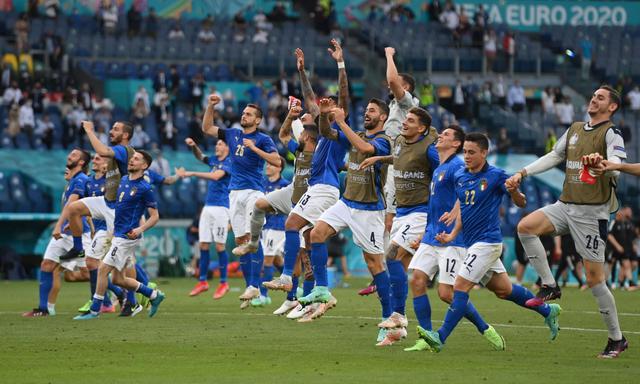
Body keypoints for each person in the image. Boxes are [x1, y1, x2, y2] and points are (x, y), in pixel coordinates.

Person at [511, 85, 628, 358]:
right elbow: (555, 155)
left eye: (601, 97)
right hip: (565, 205)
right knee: (525, 227)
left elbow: (618, 166)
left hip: (591, 214)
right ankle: (550, 286)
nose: (593, 98)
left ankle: (617, 339)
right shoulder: (575, 128)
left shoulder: (611, 133)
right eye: (593, 95)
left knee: (595, 281)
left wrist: (603, 164)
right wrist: (523, 172)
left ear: (612, 107)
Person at [418, 132, 561, 353]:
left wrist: (514, 192)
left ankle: (440, 337)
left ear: (484, 153)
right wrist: (452, 235)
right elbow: (464, 211)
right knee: (504, 290)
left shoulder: (495, 176)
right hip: (470, 243)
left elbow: (521, 202)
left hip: (488, 243)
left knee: (459, 287)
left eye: (472, 152)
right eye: (465, 151)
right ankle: (548, 311)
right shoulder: (461, 176)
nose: (466, 156)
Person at [255, 41, 349, 320]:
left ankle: (289, 280)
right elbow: (309, 100)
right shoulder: (314, 139)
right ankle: (317, 291)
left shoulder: (335, 134)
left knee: (292, 226)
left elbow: (343, 97)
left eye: (327, 109)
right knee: (309, 239)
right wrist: (302, 71)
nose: (319, 110)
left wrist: (341, 65)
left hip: (324, 190)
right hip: (319, 190)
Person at [400, 126, 504, 352]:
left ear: (457, 144)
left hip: (452, 240)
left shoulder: (458, 165)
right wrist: (425, 231)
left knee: (446, 293)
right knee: (417, 280)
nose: (441, 136)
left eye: (446, 134)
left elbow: (468, 198)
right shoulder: (439, 168)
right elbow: (435, 205)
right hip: (432, 235)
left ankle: (484, 328)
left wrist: (456, 221)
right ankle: (426, 336)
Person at [301, 97, 392, 337]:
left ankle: (389, 319)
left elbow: (363, 149)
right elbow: (327, 134)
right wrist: (323, 115)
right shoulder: (357, 134)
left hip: (369, 210)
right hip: (346, 202)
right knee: (316, 233)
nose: (367, 113)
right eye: (366, 110)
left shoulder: (384, 141)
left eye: (372, 111)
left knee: (375, 265)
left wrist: (341, 121)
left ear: (383, 117)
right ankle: (322, 288)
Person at [360, 107, 439, 345]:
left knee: (392, 255)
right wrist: (379, 158)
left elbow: (442, 176)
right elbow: (400, 159)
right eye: (406, 119)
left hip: (420, 212)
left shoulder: (430, 149)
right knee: (400, 268)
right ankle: (400, 326)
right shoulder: (400, 142)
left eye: (411, 120)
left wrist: (435, 217)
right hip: (403, 212)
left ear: (422, 128)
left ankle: (397, 315)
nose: (404, 123)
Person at [234, 102, 318, 317]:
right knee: (259, 204)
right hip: (294, 193)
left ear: (311, 133)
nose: (298, 127)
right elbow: (283, 134)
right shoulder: (298, 149)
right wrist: (291, 116)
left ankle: (307, 301)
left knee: (305, 254)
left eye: (304, 121)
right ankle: (254, 243)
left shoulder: (322, 150)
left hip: (313, 199)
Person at [202, 95, 280, 309]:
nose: (243, 115)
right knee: (240, 242)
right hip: (234, 194)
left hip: (253, 192)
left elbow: (277, 161)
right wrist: (210, 106)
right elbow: (207, 128)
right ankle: (250, 288)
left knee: (253, 239)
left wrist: (255, 149)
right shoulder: (232, 134)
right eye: (243, 113)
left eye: (249, 114)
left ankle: (256, 285)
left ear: (257, 120)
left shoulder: (263, 138)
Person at [74, 150, 165, 320]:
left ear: (144, 166)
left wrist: (139, 229)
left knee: (102, 269)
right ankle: (153, 295)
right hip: (118, 234)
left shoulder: (145, 188)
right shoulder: (123, 180)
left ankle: (95, 310)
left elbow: (155, 216)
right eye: (132, 158)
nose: (132, 160)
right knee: (118, 279)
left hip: (127, 237)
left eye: (136, 159)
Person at [23, 149, 92, 317]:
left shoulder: (81, 179)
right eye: (70, 154)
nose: (69, 156)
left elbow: (71, 207)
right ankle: (44, 309)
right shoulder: (71, 181)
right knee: (47, 266)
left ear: (82, 162)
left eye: (74, 155)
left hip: (79, 235)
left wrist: (57, 225)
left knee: (90, 272)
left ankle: (121, 291)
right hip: (65, 233)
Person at [178, 138, 232, 299]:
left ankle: (224, 283)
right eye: (216, 144)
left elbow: (216, 176)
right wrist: (194, 145)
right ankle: (202, 281)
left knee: (220, 246)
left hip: (222, 207)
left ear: (228, 148)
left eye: (221, 144)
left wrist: (192, 173)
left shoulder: (230, 162)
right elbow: (200, 156)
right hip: (208, 207)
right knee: (203, 244)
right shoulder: (214, 160)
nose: (217, 146)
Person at [383, 46, 419, 248]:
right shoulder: (394, 107)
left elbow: (392, 80)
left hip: (397, 163)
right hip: (387, 162)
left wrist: (389, 55)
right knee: (385, 218)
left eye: (398, 84)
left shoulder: (407, 103)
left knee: (391, 218)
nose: (390, 88)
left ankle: (391, 270)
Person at [251, 156, 290, 307]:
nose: (267, 166)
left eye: (271, 164)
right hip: (265, 227)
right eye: (266, 164)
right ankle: (294, 286)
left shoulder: (285, 185)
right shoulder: (262, 184)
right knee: (276, 260)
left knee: (266, 260)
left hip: (277, 227)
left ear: (279, 167)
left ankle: (263, 295)